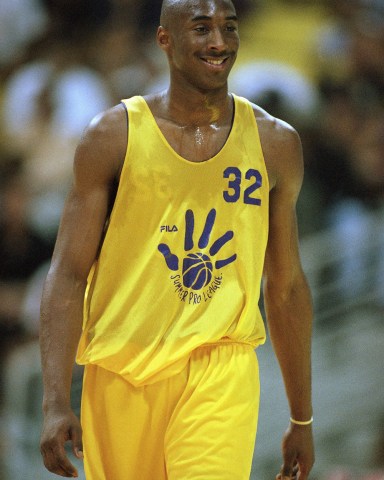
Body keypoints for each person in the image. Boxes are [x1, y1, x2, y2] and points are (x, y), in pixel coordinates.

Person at [39, 0, 315, 479]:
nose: (219, 42)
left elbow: (286, 285)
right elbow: (68, 273)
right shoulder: (112, 136)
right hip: (121, 369)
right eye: (202, 28)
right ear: (164, 39)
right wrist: (54, 400)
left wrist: (302, 416)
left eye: (229, 28)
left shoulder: (275, 143)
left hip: (220, 367)